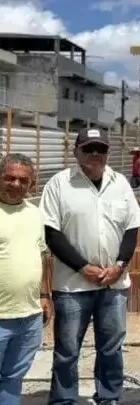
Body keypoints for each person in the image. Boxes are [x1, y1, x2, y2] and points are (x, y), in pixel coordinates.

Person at [40, 128, 140, 405]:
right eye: (88, 149)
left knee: (111, 348)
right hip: (72, 286)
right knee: (67, 350)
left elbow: (131, 229)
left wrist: (120, 266)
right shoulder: (59, 184)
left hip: (114, 284)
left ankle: (109, 397)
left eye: (101, 149)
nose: (95, 154)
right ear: (75, 152)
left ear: (108, 153)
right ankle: (64, 400)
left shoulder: (120, 183)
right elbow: (51, 233)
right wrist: (83, 267)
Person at [0, 153, 51, 405]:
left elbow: (41, 256)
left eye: (23, 180)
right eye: (9, 178)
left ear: (32, 183)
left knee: (13, 377)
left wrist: (44, 295)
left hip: (29, 316)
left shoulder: (35, 214)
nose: (16, 184)